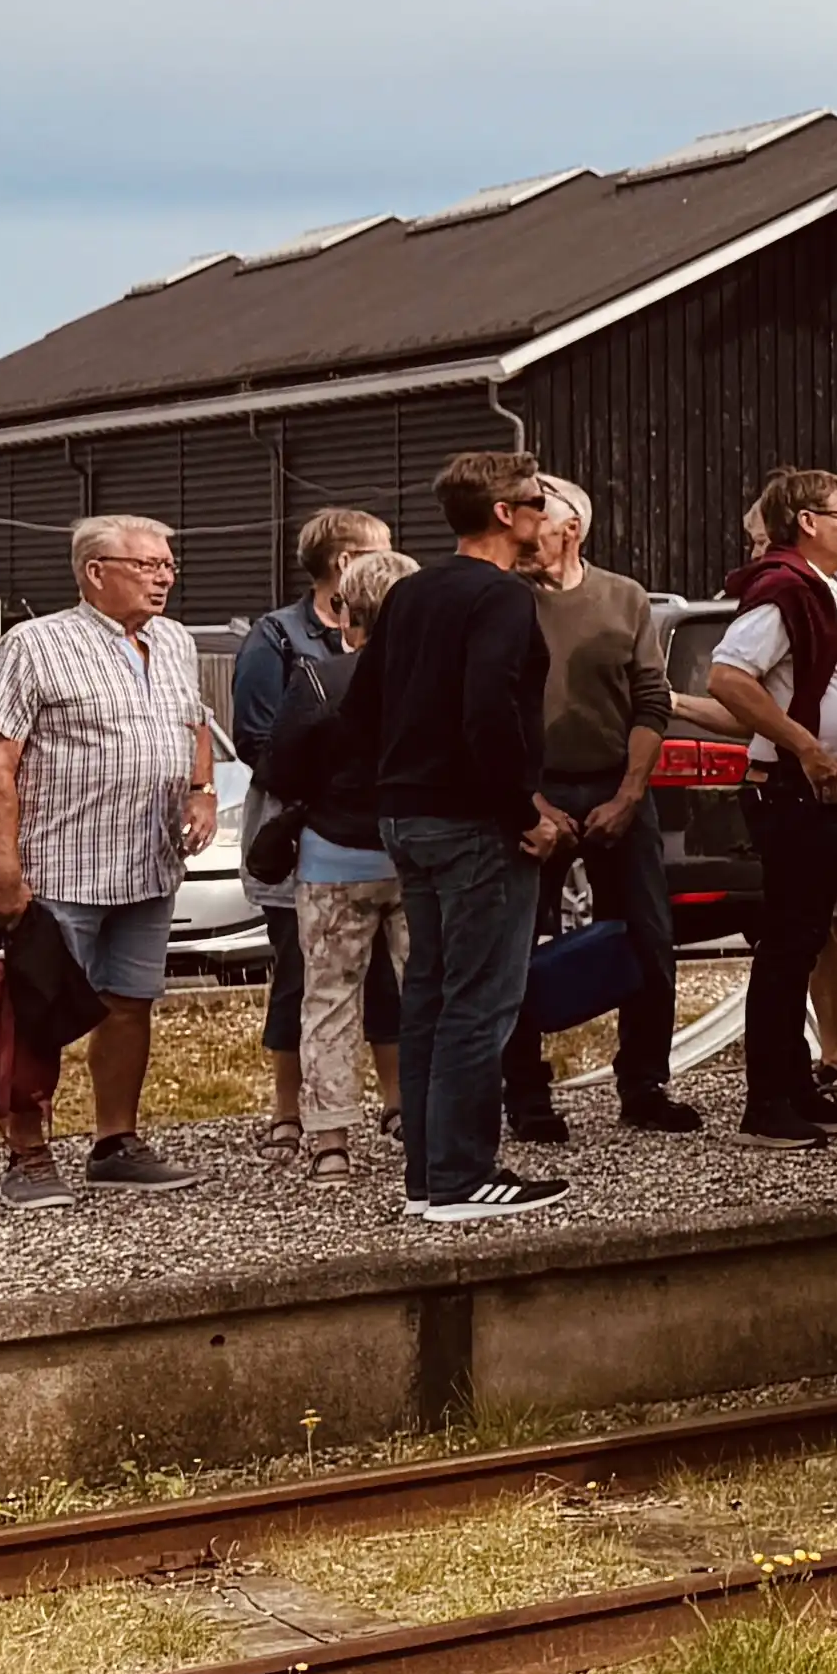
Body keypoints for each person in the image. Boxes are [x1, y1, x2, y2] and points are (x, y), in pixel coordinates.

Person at [0, 514, 222, 1203]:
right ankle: (27, 1154)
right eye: (148, 565)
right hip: (59, 868)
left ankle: (116, 1142)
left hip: (146, 864)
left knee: (129, 1003)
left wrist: (202, 790)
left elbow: (193, 721)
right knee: (35, 1012)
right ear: (95, 572)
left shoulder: (172, 642)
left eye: (169, 565)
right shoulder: (36, 644)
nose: (165, 577)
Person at [353, 452, 576, 1220]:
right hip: (475, 823)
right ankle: (461, 1176)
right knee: (481, 1000)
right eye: (539, 503)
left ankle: (429, 1175)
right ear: (507, 515)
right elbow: (489, 714)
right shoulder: (503, 599)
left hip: (408, 817)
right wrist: (525, 815)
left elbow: (360, 707)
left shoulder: (409, 593)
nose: (548, 518)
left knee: (431, 997)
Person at [693, 470, 837, 1150]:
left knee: (805, 940)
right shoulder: (783, 588)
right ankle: (766, 1103)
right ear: (807, 522)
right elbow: (729, 677)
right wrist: (808, 749)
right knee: (786, 945)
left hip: (826, 788)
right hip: (799, 791)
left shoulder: (817, 589)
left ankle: (796, 1086)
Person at [498, 477, 698, 1143]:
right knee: (516, 944)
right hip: (533, 792)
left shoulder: (624, 598)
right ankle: (526, 1093)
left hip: (616, 783)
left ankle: (644, 1083)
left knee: (648, 936)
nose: (522, 536)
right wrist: (532, 803)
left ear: (570, 530)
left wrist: (629, 794)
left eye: (535, 522)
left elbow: (651, 699)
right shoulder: (505, 602)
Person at [231, 504, 395, 1148]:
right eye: (382, 547)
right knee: (302, 975)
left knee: (387, 976)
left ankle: (395, 1102)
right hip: (304, 831)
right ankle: (289, 1109)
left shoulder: (396, 640)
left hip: (370, 833)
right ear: (346, 563)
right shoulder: (275, 638)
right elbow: (257, 739)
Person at [273, 547, 411, 1169]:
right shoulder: (435, 680)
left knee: (328, 1000)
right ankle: (430, 1118)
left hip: (333, 857)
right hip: (417, 856)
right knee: (429, 993)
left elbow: (280, 767)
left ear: (344, 611)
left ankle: (330, 1141)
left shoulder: (318, 680)